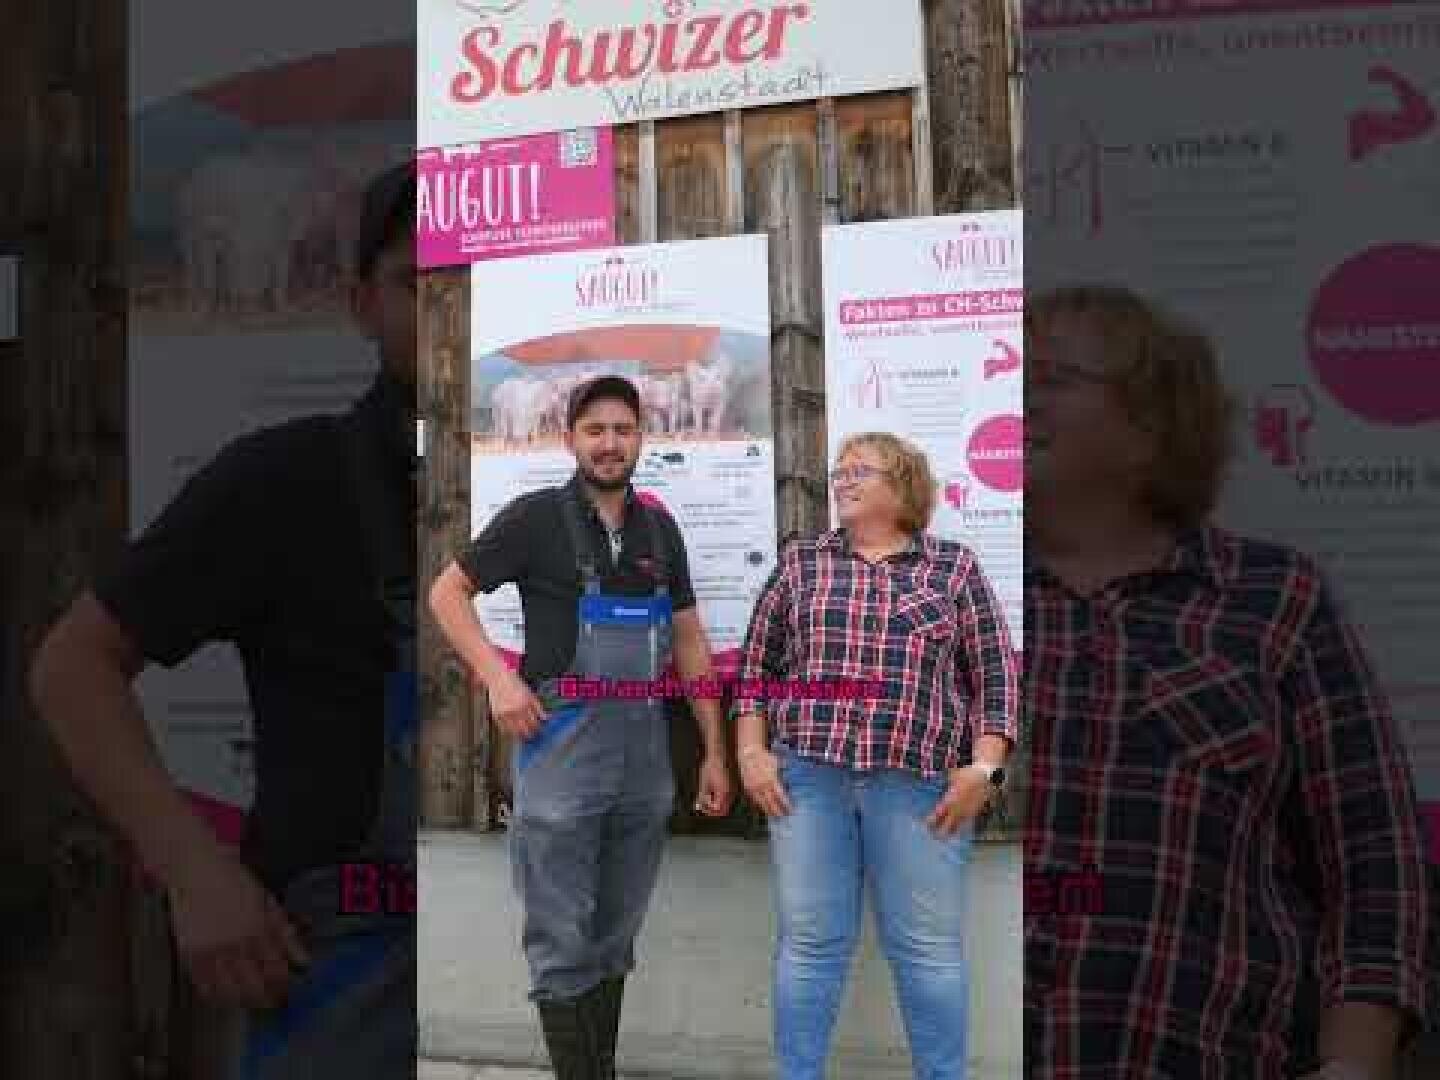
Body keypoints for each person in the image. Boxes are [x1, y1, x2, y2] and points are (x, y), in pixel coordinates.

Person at [28, 163, 420, 1078]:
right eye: (421, 284)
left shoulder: (597, 486)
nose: (457, 311)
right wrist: (195, 873)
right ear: (362, 303)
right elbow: (71, 669)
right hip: (352, 988)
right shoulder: (284, 483)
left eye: (484, 281)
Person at [1023, 284, 1431, 1080]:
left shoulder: (1273, 599)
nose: (1018, 398)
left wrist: (1355, 1062)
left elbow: (1375, 859)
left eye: (1053, 379)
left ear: (1151, 425)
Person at [428, 374, 735, 1080]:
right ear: (570, 438)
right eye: (595, 430)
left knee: (614, 935)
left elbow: (690, 640)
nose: (609, 443)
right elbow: (447, 594)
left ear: (641, 438)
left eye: (622, 430)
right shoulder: (535, 518)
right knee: (561, 938)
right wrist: (499, 679)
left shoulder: (659, 531)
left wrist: (714, 751)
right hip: (563, 747)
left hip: (644, 755)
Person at [732, 431, 1020, 1080]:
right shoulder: (802, 564)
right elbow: (755, 668)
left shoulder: (954, 568)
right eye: (838, 472)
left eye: (859, 470)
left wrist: (985, 768)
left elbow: (997, 678)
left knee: (927, 951)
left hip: (919, 785)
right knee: (811, 944)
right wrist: (750, 751)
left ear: (903, 483)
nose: (842, 480)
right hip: (809, 779)